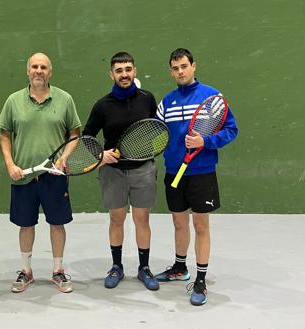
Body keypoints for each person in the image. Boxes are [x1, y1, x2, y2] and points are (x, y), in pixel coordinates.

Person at [155, 48, 238, 306]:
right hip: (174, 173)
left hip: (201, 173)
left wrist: (206, 140)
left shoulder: (212, 97)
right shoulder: (166, 102)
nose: (180, 71)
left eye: (184, 66)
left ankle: (200, 279)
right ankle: (180, 268)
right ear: (171, 71)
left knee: (200, 226)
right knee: (179, 224)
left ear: (193, 66)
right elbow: (155, 131)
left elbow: (231, 130)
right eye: (175, 68)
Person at [0, 52, 81, 293]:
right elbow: (4, 134)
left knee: (57, 223)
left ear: (50, 72)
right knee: (26, 225)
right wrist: (10, 164)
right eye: (34, 66)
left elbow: (74, 134)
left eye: (43, 67)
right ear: (28, 71)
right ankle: (26, 271)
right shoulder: (13, 101)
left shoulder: (64, 99)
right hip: (23, 176)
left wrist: (63, 159)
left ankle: (58, 271)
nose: (38, 71)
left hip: (54, 177)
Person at [82, 52, 160, 291]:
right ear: (112, 74)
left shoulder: (147, 99)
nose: (124, 74)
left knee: (142, 219)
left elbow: (158, 129)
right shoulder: (102, 105)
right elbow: (87, 137)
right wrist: (100, 155)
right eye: (119, 70)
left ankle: (144, 268)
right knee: (116, 219)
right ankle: (117, 266)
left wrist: (152, 150)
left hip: (143, 170)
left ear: (134, 71)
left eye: (128, 69)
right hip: (113, 173)